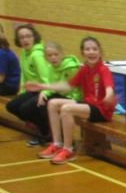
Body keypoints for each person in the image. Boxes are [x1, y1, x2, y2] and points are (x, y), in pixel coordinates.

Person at [28, 36, 115, 165]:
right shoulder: (84, 69)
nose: (91, 52)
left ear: (100, 51)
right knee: (52, 103)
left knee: (66, 109)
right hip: (88, 105)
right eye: (87, 49)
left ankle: (68, 149)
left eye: (94, 49)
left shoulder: (103, 70)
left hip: (101, 110)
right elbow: (68, 85)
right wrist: (43, 86)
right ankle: (57, 143)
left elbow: (109, 87)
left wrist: (108, 95)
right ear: (82, 52)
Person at [16, 41, 81, 146]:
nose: (53, 58)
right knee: (35, 105)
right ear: (46, 58)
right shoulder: (51, 67)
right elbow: (51, 84)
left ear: (61, 54)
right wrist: (44, 92)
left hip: (73, 97)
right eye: (50, 56)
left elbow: (73, 87)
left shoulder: (71, 67)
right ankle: (50, 136)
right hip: (60, 95)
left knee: (44, 106)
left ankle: (64, 141)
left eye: (56, 54)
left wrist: (46, 90)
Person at [6, 24, 51, 126]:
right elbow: (23, 74)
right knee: (11, 106)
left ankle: (45, 129)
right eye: (21, 37)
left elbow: (47, 78)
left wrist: (45, 92)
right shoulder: (24, 53)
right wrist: (22, 92)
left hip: (45, 90)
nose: (25, 40)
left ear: (34, 37)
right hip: (32, 90)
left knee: (25, 109)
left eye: (28, 36)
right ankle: (36, 124)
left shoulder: (37, 55)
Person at [0, 31, 20, 95]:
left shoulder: (1, 54)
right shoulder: (4, 50)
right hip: (9, 84)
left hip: (9, 86)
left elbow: (1, 78)